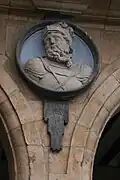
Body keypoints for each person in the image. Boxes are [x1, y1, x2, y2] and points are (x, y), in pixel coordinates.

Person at [24, 21, 92, 91]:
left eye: (57, 38)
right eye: (48, 40)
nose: (52, 42)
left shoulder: (83, 70)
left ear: (67, 43)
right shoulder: (36, 65)